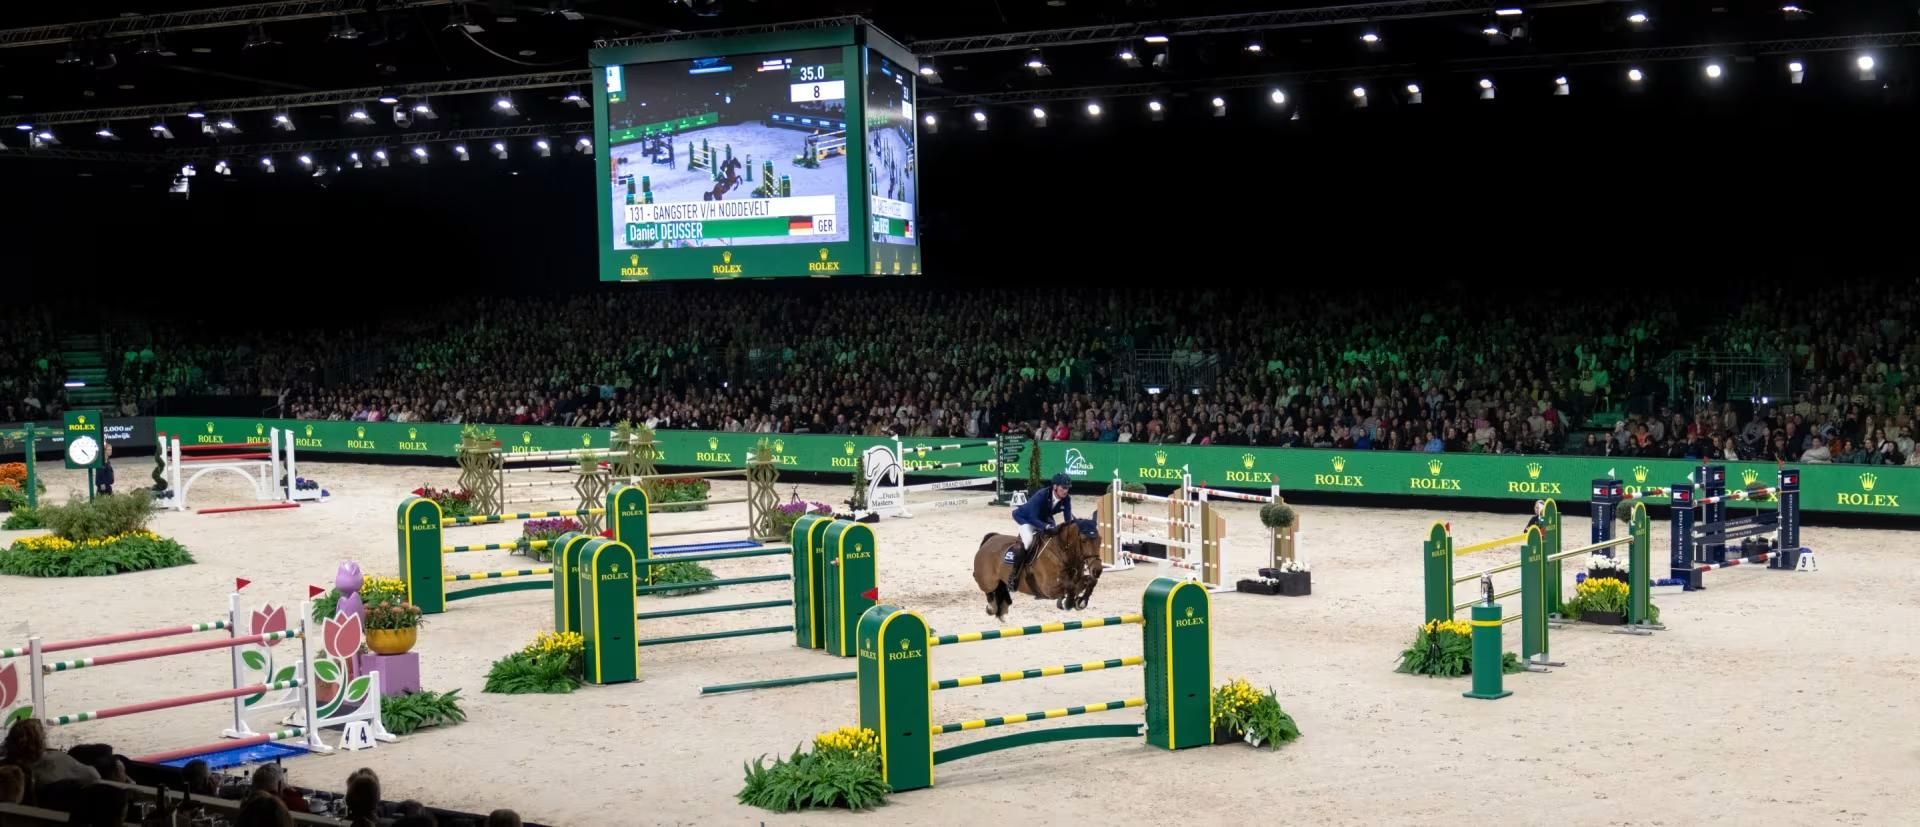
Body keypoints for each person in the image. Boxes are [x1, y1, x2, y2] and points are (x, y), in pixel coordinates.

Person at [1007, 473, 1075, 591]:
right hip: (1026, 518)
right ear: (1055, 487)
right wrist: (1047, 526)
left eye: (1067, 488)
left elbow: (1068, 519)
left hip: (1044, 517)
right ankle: (1014, 575)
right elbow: (1033, 518)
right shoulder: (1041, 495)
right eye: (1063, 487)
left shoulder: (1066, 499)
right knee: (1028, 542)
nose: (1066, 490)